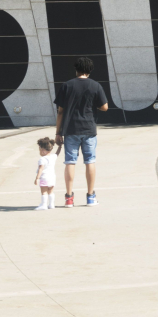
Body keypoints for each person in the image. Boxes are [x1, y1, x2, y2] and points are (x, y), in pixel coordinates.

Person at [54, 56, 108, 207]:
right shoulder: (95, 86)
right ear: (90, 70)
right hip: (89, 129)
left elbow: (60, 112)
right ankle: (91, 197)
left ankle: (69, 198)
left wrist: (58, 133)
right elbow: (105, 107)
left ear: (76, 69)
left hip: (71, 130)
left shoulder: (67, 85)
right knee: (90, 161)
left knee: (70, 161)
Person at [33, 137, 57, 210]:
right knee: (50, 191)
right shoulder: (53, 156)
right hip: (52, 177)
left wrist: (37, 178)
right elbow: (57, 153)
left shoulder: (42, 159)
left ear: (43, 150)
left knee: (44, 192)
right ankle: (51, 204)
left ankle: (44, 205)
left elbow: (41, 169)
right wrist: (60, 147)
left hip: (44, 178)